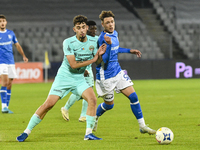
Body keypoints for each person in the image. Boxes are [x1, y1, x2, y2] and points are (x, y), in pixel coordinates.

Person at [16, 15, 107, 142]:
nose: (81, 30)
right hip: (64, 77)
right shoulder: (68, 42)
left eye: (83, 27)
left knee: (92, 99)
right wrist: (93, 59)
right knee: (49, 105)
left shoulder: (94, 41)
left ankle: (88, 134)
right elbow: (73, 64)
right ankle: (26, 131)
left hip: (79, 78)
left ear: (87, 28)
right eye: (78, 27)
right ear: (74, 29)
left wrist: (101, 55)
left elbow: (98, 62)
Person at [94, 10, 156, 135]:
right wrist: (109, 45)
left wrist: (129, 50)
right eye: (107, 23)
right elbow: (103, 60)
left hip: (117, 71)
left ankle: (142, 126)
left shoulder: (114, 34)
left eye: (112, 21)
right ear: (102, 24)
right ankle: (94, 117)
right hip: (106, 76)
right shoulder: (103, 39)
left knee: (133, 96)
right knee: (109, 105)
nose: (111, 24)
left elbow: (117, 49)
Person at [61, 20, 98, 122]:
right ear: (87, 28)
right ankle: (81, 114)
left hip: (88, 67)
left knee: (83, 91)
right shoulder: (78, 41)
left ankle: (69, 109)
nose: (94, 30)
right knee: (86, 90)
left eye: (95, 28)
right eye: (92, 28)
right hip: (82, 68)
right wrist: (83, 69)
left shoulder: (95, 39)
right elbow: (77, 56)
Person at [0, 14, 28, 114]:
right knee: (4, 82)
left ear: (6, 22)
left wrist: (24, 56)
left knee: (9, 84)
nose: (2, 23)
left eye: (3, 21)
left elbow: (17, 45)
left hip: (11, 62)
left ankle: (7, 107)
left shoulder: (10, 33)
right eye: (0, 21)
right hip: (1, 62)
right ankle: (3, 107)